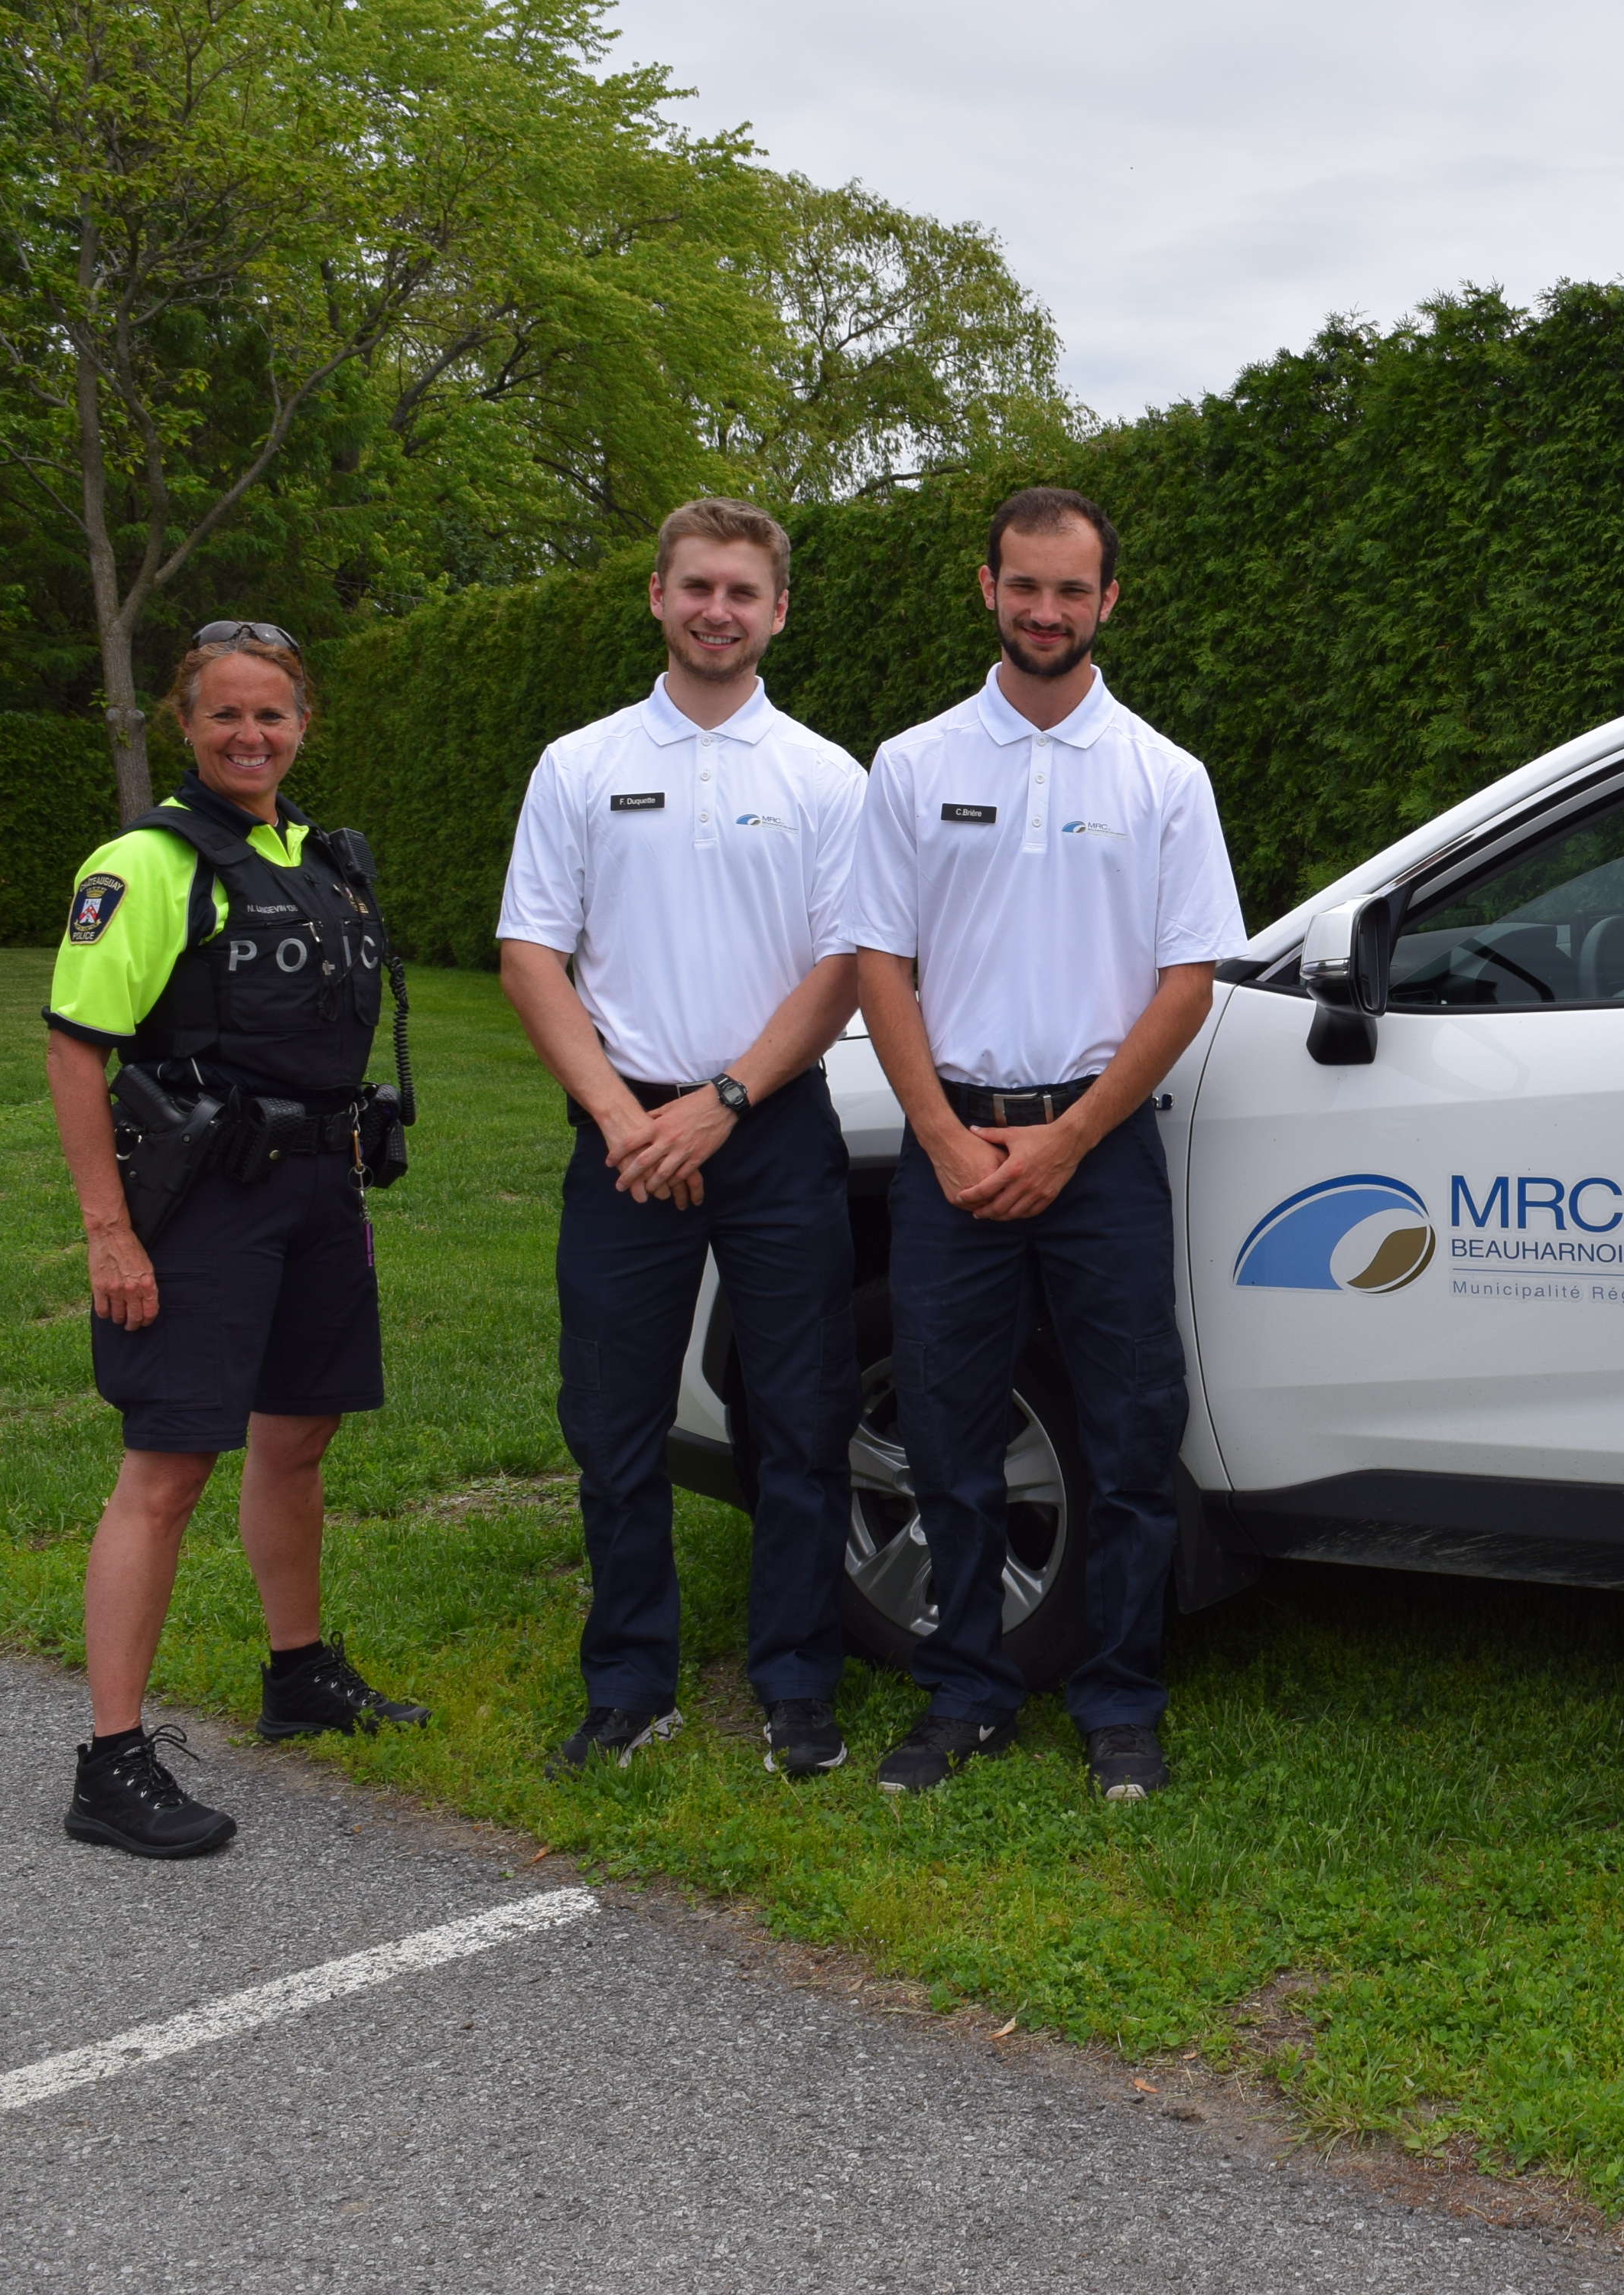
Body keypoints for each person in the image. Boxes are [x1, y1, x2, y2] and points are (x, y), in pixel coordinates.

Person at [849, 485, 1243, 1800]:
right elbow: (879, 965)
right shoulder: (912, 766)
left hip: (1102, 1151)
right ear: (988, 589)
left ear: (1108, 602)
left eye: (1072, 591)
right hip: (951, 1142)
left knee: (1132, 1437)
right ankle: (965, 1691)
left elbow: (1187, 983)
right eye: (1026, 586)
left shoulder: (1164, 779)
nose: (1047, 612)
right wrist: (946, 1141)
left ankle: (1120, 1700)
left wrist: (1071, 1138)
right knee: (949, 1434)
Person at [41, 624, 429, 1857]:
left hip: (319, 1183)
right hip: (205, 1197)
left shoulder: (320, 856)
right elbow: (74, 1048)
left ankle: (297, 1673)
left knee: (297, 1436)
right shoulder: (147, 864)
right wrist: (109, 1232)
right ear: (185, 723)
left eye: (272, 716)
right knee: (167, 1465)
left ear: (303, 722)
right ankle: (111, 1761)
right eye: (225, 717)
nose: (250, 737)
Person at [497, 498, 868, 1779]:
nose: (719, 610)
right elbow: (531, 952)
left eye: (743, 593)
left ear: (779, 612)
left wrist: (722, 1102)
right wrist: (618, 1113)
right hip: (621, 1131)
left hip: (769, 1128)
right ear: (657, 596)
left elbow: (845, 966)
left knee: (801, 1411)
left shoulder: (826, 775)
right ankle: (629, 1682)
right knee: (611, 1417)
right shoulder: (579, 763)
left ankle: (797, 1682)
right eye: (697, 586)